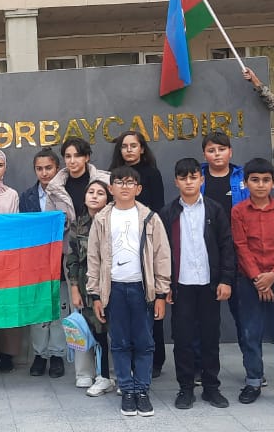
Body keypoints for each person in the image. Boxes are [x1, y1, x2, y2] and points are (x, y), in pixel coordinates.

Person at [86, 166, 171, 418]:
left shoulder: (150, 217)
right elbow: (94, 258)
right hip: (114, 289)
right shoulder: (102, 219)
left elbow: (162, 256)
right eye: (120, 182)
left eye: (130, 182)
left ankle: (142, 390)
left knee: (144, 342)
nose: (125, 186)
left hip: (142, 289)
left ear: (139, 188)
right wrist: (96, 295)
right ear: (111, 188)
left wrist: (161, 293)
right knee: (120, 342)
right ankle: (127, 389)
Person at [158, 158, 235, 410]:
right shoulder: (168, 213)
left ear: (201, 180)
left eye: (193, 177)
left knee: (210, 337)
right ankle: (186, 388)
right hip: (181, 285)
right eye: (183, 178)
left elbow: (226, 245)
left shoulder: (214, 209)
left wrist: (225, 279)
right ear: (176, 182)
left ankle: (211, 387)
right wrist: (166, 286)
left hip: (209, 284)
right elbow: (162, 252)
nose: (189, 182)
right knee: (182, 338)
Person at [230, 158, 274, 408]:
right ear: (246, 183)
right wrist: (258, 279)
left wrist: (272, 276)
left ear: (272, 183)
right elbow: (240, 246)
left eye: (265, 180)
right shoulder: (238, 211)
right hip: (249, 281)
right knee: (250, 333)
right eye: (255, 180)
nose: (260, 185)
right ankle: (253, 381)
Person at [108, 130, 166, 378]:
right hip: (120, 254)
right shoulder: (113, 174)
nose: (129, 150)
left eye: (134, 145)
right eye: (125, 146)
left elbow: (158, 208)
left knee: (150, 312)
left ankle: (154, 361)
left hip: (145, 246)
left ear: (142, 148)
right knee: (123, 320)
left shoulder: (152, 173)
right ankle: (127, 364)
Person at [200, 130, 250, 384]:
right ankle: (203, 370)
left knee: (244, 316)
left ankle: (253, 369)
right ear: (204, 154)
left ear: (230, 151)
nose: (217, 154)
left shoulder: (242, 177)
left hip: (238, 253)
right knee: (204, 319)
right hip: (205, 254)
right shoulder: (198, 177)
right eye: (211, 150)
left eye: (221, 149)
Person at [11, 147, 60, 374]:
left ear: (57, 168)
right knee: (38, 307)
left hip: (60, 259)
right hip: (35, 261)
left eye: (48, 168)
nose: (44, 173)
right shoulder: (27, 197)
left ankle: (57, 354)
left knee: (59, 307)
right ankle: (40, 354)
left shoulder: (64, 193)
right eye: (39, 169)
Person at [64, 180, 115, 397]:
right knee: (94, 329)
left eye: (100, 193)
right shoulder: (79, 224)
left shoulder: (114, 220)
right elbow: (73, 259)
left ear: (108, 198)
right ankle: (99, 375)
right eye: (91, 192)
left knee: (116, 331)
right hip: (87, 286)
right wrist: (75, 288)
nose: (94, 196)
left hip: (113, 283)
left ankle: (119, 374)